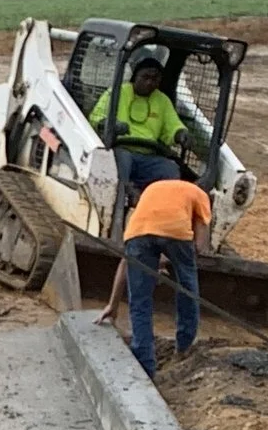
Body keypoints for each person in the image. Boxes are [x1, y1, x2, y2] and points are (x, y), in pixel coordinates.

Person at [120, 169, 210, 378]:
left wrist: (157, 261)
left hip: (138, 232)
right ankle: (184, 346)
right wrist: (186, 257)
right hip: (177, 232)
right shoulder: (200, 194)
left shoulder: (153, 188)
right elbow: (201, 244)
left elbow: (141, 242)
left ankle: (145, 364)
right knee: (187, 288)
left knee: (139, 301)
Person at [89, 44, 189, 218]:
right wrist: (110, 124)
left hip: (149, 156)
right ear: (136, 76)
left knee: (170, 169)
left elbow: (172, 126)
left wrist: (180, 134)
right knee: (123, 161)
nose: (150, 82)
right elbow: (95, 117)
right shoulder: (117, 93)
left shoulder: (162, 101)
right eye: (146, 77)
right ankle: (117, 211)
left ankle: (163, 214)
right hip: (121, 150)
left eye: (155, 78)